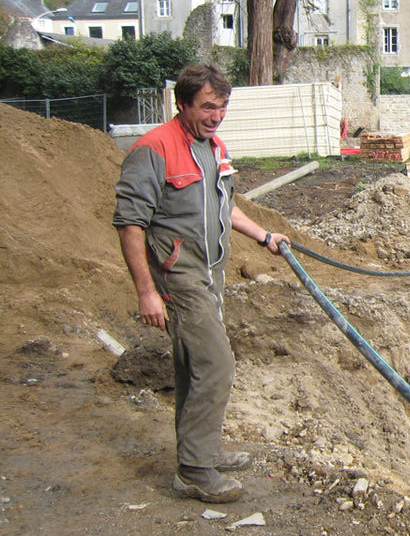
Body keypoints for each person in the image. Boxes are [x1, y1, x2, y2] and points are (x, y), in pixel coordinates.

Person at [113, 63, 290, 503]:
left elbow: (225, 206)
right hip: (180, 275)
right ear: (183, 103)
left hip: (212, 272)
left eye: (223, 107)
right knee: (216, 364)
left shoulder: (212, 147)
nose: (217, 115)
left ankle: (200, 451)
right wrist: (146, 292)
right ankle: (194, 470)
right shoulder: (153, 149)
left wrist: (264, 236)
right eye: (208, 107)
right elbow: (129, 223)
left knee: (194, 364)